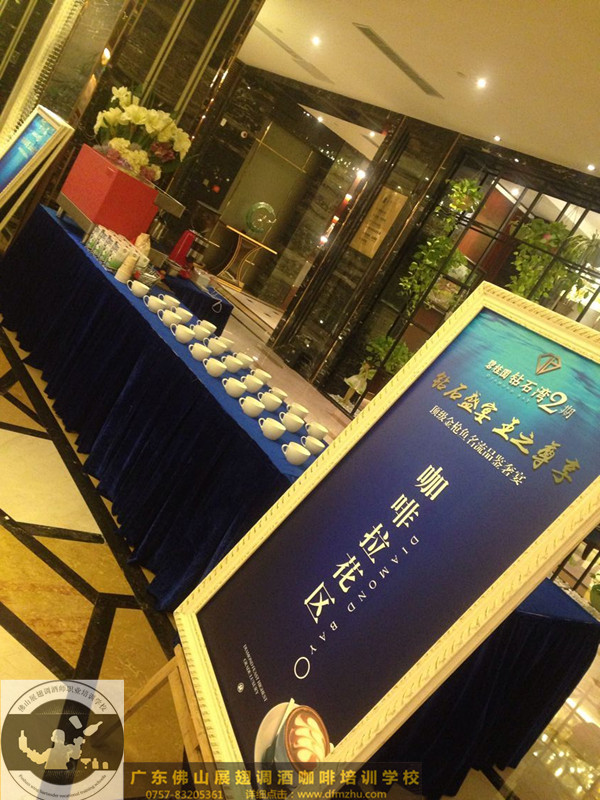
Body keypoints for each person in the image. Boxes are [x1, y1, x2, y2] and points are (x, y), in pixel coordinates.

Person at [19, 728, 84, 770]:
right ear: (63, 739)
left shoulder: (50, 752)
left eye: (53, 736)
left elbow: (38, 759)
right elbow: (76, 755)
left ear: (53, 738)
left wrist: (27, 750)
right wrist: (77, 744)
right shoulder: (68, 749)